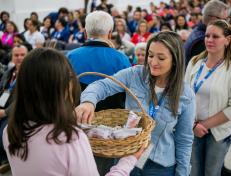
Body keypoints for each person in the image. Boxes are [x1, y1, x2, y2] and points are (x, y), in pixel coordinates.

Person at [2, 48, 144, 176]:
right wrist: (128, 161)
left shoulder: (10, 131)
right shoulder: (70, 138)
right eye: (70, 77)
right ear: (62, 86)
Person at [76, 31, 196, 176]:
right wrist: (88, 102)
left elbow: (184, 138)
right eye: (150, 56)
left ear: (175, 60)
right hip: (126, 159)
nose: (153, 62)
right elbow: (102, 86)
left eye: (161, 58)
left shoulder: (186, 94)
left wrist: (182, 172)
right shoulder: (134, 75)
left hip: (160, 166)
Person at [67, 11, 131, 175]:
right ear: (110, 33)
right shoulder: (121, 58)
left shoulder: (70, 57)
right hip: (109, 132)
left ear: (86, 32)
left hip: (77, 125)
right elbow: (127, 96)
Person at [185, 20, 231, 176]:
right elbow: (183, 96)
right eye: (207, 35)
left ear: (227, 40)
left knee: (211, 173)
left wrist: (203, 125)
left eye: (215, 36)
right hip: (192, 129)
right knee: (193, 173)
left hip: (218, 133)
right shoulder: (194, 62)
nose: (209, 40)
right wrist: (193, 125)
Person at [0, 44, 28, 174]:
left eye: (22, 55)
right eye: (16, 55)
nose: (19, 58)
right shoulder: (8, 73)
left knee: (4, 128)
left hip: (19, 111)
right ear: (12, 57)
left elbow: (25, 100)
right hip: (2, 108)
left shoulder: (31, 75)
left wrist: (5, 112)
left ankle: (6, 159)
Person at [184, 0, 229, 66]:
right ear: (214, 19)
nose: (227, 23)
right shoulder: (203, 41)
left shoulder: (199, 31)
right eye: (225, 20)